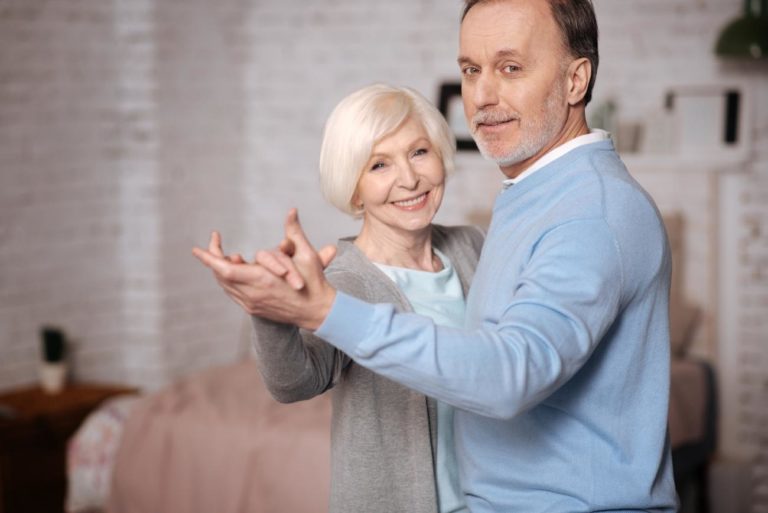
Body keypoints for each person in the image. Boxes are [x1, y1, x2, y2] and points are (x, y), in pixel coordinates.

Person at [194, 0, 679, 511]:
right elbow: (296, 380)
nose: (483, 96)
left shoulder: (584, 215)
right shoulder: (532, 197)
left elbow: (510, 372)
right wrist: (275, 311)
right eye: (471, 70)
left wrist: (323, 311)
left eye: (511, 68)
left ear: (576, 81)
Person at [196, 84, 484, 513]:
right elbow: (294, 384)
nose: (408, 178)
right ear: (354, 189)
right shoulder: (348, 280)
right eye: (379, 165)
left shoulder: (470, 246)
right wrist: (270, 314)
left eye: (419, 152)